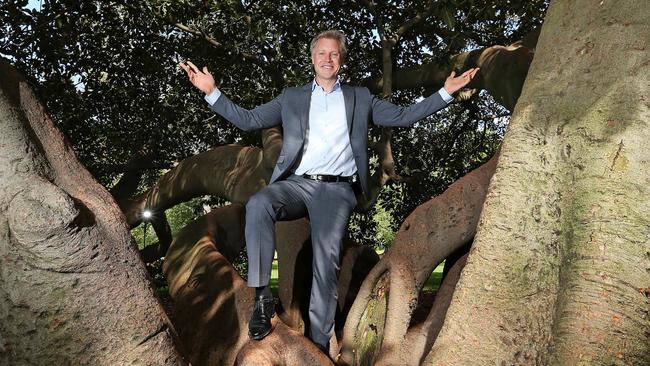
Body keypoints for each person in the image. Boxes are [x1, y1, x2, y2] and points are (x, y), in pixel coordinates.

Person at [180, 30, 478, 353]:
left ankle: (319, 345)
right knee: (259, 204)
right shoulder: (292, 98)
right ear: (312, 59)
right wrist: (212, 93)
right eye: (321, 53)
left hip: (336, 191)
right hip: (298, 184)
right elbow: (249, 120)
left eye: (333, 54)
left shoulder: (359, 98)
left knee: (326, 264)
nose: (327, 59)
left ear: (341, 60)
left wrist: (445, 93)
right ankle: (263, 299)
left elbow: (403, 117)